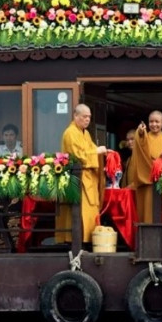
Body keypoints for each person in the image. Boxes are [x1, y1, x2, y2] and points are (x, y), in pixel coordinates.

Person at [55, 104, 105, 245]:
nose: (87, 119)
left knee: (90, 211)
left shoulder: (86, 133)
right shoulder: (70, 133)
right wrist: (97, 152)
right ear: (75, 116)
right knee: (79, 211)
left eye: (89, 117)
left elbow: (91, 149)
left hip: (88, 177)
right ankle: (76, 241)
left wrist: (101, 151)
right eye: (84, 116)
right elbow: (78, 156)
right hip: (78, 177)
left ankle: (87, 240)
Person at [129, 111, 162, 224]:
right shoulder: (144, 136)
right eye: (151, 121)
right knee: (146, 210)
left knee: (161, 210)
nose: (154, 124)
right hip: (146, 178)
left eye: (157, 121)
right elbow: (140, 141)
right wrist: (140, 132)